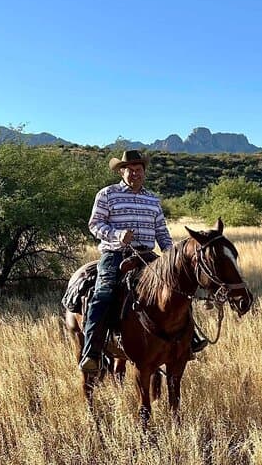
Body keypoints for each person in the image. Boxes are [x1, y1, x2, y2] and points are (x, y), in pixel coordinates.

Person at [79, 150, 208, 372]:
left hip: (148, 256)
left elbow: (161, 231)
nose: (135, 174)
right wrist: (117, 234)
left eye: (139, 170)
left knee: (176, 291)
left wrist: (171, 256)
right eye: (130, 170)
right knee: (103, 294)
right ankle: (92, 352)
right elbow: (95, 224)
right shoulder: (107, 194)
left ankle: (188, 340)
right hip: (116, 254)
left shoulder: (152, 200)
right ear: (122, 171)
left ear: (144, 172)